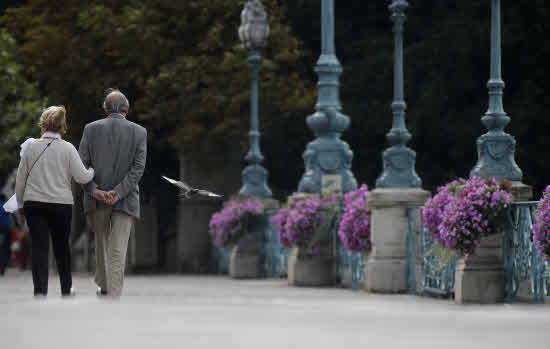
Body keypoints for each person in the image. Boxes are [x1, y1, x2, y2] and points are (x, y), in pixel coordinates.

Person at [15, 106, 95, 296]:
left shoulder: (31, 147)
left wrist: (20, 203)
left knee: (40, 247)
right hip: (61, 205)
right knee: (61, 247)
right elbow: (82, 177)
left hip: (34, 204)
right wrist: (92, 170)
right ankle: (66, 289)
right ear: (62, 126)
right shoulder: (67, 148)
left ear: (43, 124)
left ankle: (40, 291)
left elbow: (21, 179)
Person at [79, 89, 147, 298]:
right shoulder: (140, 132)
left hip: (96, 200)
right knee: (118, 248)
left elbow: (81, 165)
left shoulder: (90, 129)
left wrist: (94, 190)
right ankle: (113, 292)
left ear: (105, 109)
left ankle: (105, 286)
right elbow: (138, 168)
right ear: (127, 109)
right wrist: (118, 193)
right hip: (125, 200)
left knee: (101, 245)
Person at [0, 194, 12, 276]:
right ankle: (3, 267)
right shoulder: (6, 206)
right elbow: (13, 216)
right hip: (5, 229)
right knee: (6, 248)